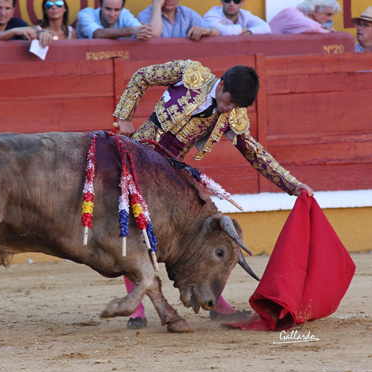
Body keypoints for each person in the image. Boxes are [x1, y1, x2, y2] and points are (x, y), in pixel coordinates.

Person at [114, 59, 314, 329]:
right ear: (220, 85)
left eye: (236, 107)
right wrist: (124, 117)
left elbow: (255, 153)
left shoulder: (233, 115)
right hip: (137, 157)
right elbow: (142, 75)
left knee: (201, 231)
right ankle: (136, 307)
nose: (229, 109)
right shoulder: (190, 74)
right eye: (228, 101)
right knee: (131, 228)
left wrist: (292, 184)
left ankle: (218, 304)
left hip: (170, 172)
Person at [138, 0, 218, 41]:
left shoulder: (187, 13)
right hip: (156, 66)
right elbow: (154, 33)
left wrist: (205, 30)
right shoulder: (145, 14)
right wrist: (157, 5)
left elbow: (216, 31)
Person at [76, 0, 153, 40]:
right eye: (108, 9)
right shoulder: (86, 13)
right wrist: (130, 31)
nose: (112, 14)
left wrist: (144, 31)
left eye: (116, 10)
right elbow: (97, 33)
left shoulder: (124, 14)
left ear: (122, 9)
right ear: (100, 5)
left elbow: (138, 29)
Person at [269, 0, 340, 34]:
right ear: (315, 9)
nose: (330, 19)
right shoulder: (291, 12)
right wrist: (325, 31)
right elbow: (310, 26)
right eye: (328, 14)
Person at [204, 0, 271, 36]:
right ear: (221, 1)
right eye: (227, 0)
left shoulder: (245, 15)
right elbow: (226, 31)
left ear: (242, 2)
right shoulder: (211, 15)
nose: (231, 4)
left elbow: (266, 28)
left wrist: (248, 32)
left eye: (236, 0)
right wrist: (247, 29)